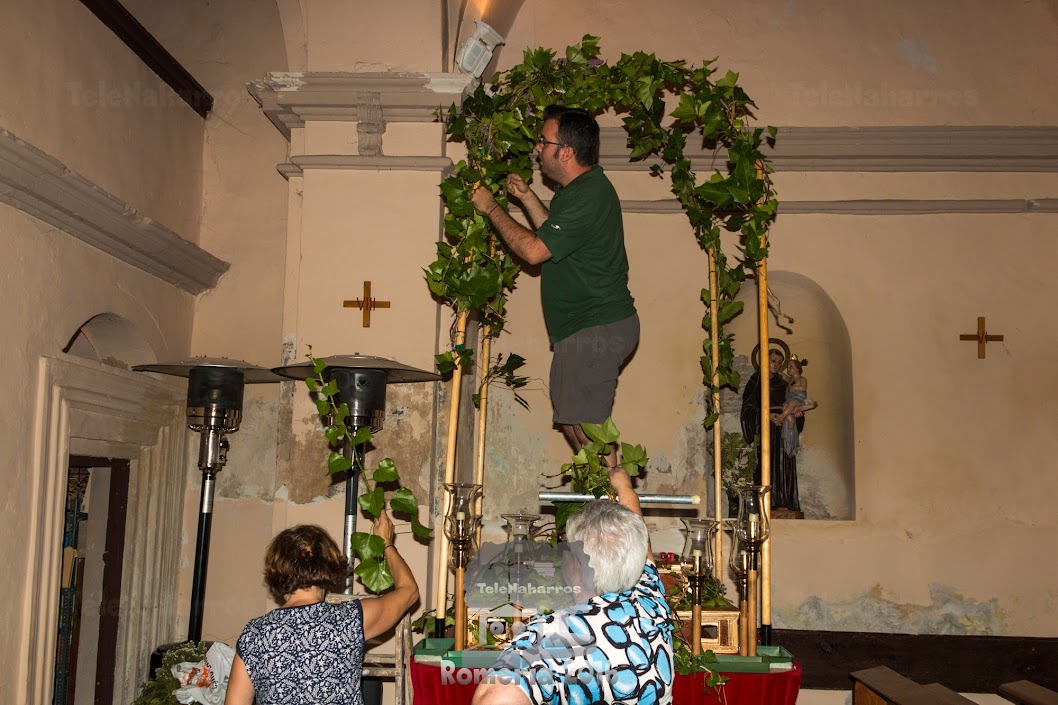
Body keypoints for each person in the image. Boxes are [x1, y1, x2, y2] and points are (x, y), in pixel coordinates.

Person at [470, 105, 639, 462]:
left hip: (597, 325)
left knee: (591, 427)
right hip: (583, 329)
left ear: (566, 152)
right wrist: (527, 198)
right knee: (573, 423)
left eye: (544, 142)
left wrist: (492, 208)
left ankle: (617, 509)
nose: (536, 147)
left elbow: (534, 251)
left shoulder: (589, 194)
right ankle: (604, 500)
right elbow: (557, 238)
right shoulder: (575, 192)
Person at [471, 467, 674, 705]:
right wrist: (624, 487)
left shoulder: (555, 634)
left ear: (577, 563)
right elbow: (643, 545)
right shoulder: (649, 602)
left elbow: (496, 697)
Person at [223, 512, 418, 705]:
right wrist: (385, 543)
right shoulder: (349, 620)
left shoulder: (254, 634)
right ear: (328, 565)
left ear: (277, 570)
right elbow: (409, 591)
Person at [740, 348, 802, 512]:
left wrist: (797, 414)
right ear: (764, 360)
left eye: (780, 362)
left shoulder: (784, 384)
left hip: (783, 431)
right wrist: (766, 415)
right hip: (765, 431)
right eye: (773, 360)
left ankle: (783, 502)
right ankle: (765, 504)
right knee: (766, 464)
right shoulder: (755, 382)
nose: (777, 365)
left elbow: (794, 401)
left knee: (784, 465)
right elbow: (748, 409)